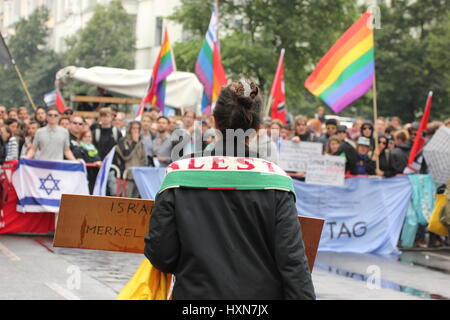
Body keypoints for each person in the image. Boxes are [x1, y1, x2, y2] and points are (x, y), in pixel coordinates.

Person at [144, 79, 315, 299]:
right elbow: (292, 263)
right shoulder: (276, 181)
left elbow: (161, 255)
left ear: (213, 122)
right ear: (257, 129)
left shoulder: (178, 175)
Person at [115, 121, 146, 198]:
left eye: (138, 128)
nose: (136, 130)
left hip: (138, 176)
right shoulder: (123, 141)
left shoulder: (141, 142)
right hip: (127, 176)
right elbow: (125, 156)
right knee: (126, 199)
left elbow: (143, 159)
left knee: (136, 201)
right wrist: (134, 143)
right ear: (129, 129)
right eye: (134, 128)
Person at [78, 130, 102, 194]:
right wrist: (95, 162)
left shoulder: (94, 149)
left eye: (89, 136)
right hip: (85, 177)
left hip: (95, 176)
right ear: (81, 138)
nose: (88, 138)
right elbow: (85, 159)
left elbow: (98, 158)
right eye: (85, 137)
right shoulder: (79, 149)